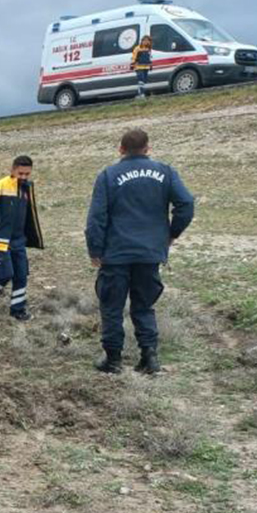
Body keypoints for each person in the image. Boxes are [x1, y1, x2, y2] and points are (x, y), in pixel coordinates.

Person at [85, 128, 194, 374]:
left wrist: (95, 250)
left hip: (116, 254)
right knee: (144, 306)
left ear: (121, 150)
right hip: (149, 253)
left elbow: (96, 218)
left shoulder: (108, 176)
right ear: (148, 149)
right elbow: (186, 204)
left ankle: (113, 360)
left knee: (112, 307)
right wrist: (171, 234)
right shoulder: (165, 172)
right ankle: (150, 358)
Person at [0, 156, 45, 320]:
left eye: (27, 174)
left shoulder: (26, 189)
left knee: (21, 275)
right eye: (20, 173)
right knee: (4, 274)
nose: (24, 177)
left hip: (18, 240)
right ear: (13, 170)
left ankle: (18, 310)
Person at [131, 35, 154, 99]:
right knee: (141, 80)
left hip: (146, 67)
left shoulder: (148, 49)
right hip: (139, 67)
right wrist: (132, 65)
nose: (146, 42)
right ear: (142, 41)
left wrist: (150, 65)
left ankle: (140, 93)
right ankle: (141, 94)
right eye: (145, 40)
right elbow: (134, 57)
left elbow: (149, 58)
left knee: (144, 81)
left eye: (148, 41)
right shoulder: (137, 48)